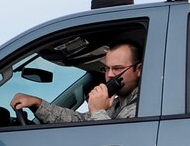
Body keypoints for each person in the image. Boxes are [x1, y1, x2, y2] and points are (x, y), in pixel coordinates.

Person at [11, 40, 141, 123]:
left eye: (118, 69)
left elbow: (116, 143)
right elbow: (79, 121)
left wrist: (97, 111)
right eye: (107, 69)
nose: (110, 75)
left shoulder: (142, 107)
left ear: (139, 69)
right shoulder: (116, 104)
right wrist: (38, 103)